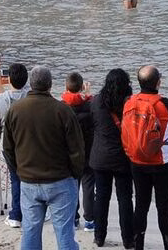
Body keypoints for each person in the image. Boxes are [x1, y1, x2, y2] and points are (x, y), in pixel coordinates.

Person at [3, 65, 86, 250]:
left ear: (31, 84)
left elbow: (7, 147)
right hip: (60, 180)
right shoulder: (62, 110)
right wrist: (75, 174)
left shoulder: (15, 110)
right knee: (65, 234)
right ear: (50, 85)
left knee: (30, 233)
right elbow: (77, 150)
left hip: (29, 180)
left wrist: (19, 170)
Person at [122, 65, 168, 250]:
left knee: (141, 205)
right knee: (164, 208)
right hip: (161, 162)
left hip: (137, 160)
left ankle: (138, 244)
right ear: (158, 82)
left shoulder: (129, 102)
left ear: (140, 82)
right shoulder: (167, 104)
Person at [89, 68, 135, 249]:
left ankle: (99, 237)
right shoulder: (130, 103)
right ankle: (128, 239)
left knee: (101, 197)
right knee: (125, 198)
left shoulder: (97, 102)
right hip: (123, 157)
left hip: (100, 157)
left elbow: (92, 122)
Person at [0, 62, 29, 228]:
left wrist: (0, 137)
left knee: (15, 178)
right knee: (30, 178)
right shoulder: (31, 97)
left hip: (9, 145)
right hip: (29, 144)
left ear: (9, 79)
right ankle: (30, 211)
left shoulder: (0, 99)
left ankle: (16, 214)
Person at [62, 71, 95, 232]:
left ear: (66, 87)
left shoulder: (62, 107)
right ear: (82, 87)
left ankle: (74, 218)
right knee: (89, 186)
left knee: (72, 186)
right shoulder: (90, 106)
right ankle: (89, 219)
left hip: (69, 153)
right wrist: (88, 95)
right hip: (88, 151)